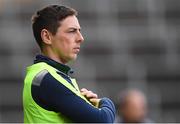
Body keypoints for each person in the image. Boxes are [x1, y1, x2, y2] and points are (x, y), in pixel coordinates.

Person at [23, 5, 115, 123]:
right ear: (47, 37)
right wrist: (105, 102)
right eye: (72, 31)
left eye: (79, 31)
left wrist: (90, 105)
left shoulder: (50, 75)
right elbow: (103, 120)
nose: (80, 38)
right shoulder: (46, 79)